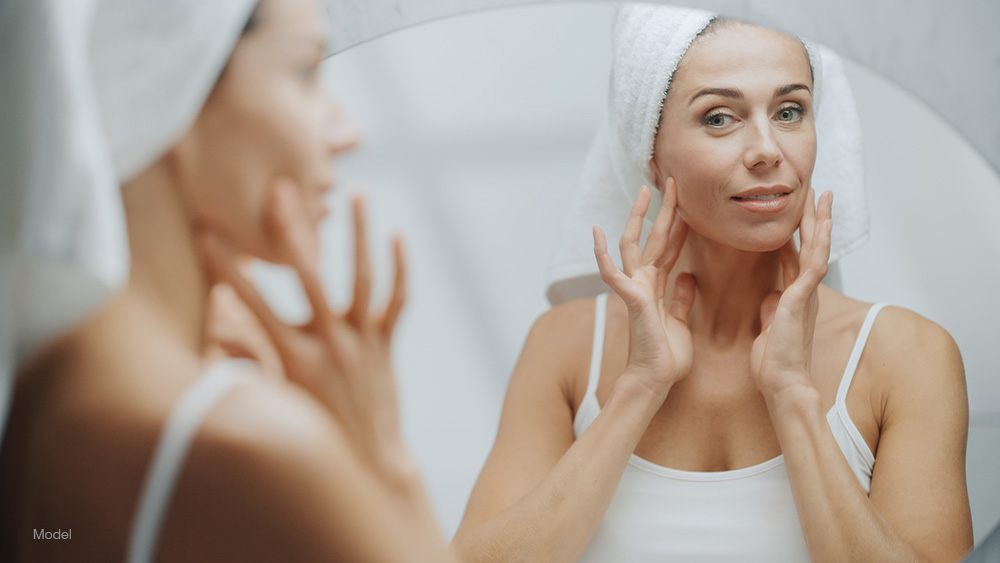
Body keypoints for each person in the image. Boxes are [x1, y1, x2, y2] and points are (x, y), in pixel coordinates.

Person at [452, 5, 973, 562]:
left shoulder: (906, 356)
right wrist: (639, 389)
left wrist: (794, 398)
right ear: (649, 155)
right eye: (719, 118)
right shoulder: (567, 347)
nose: (768, 149)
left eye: (790, 110)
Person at [0, 0, 457, 561]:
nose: (347, 132)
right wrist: (384, 458)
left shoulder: (37, 405)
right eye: (306, 71)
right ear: (168, 85)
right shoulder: (249, 447)